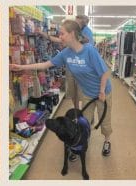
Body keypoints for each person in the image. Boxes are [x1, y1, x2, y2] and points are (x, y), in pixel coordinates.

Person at [10, 19, 112, 157]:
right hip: (87, 92)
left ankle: (107, 140)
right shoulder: (66, 53)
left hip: (103, 91)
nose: (60, 37)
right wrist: (21, 67)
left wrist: (101, 91)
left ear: (72, 34)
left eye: (62, 33)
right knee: (84, 121)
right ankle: (79, 144)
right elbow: (45, 65)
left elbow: (105, 72)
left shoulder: (89, 51)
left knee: (104, 120)